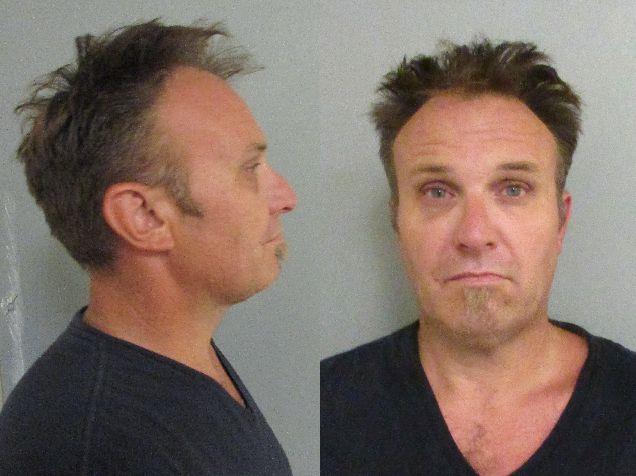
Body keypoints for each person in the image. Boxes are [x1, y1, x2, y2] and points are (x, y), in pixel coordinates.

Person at [321, 39, 636, 475]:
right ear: (397, 222)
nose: (474, 235)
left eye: (513, 189)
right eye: (437, 192)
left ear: (561, 221)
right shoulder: (324, 409)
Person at [0, 19, 296, 474]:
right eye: (249, 169)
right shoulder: (97, 448)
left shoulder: (181, 360)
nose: (286, 198)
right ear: (143, 217)